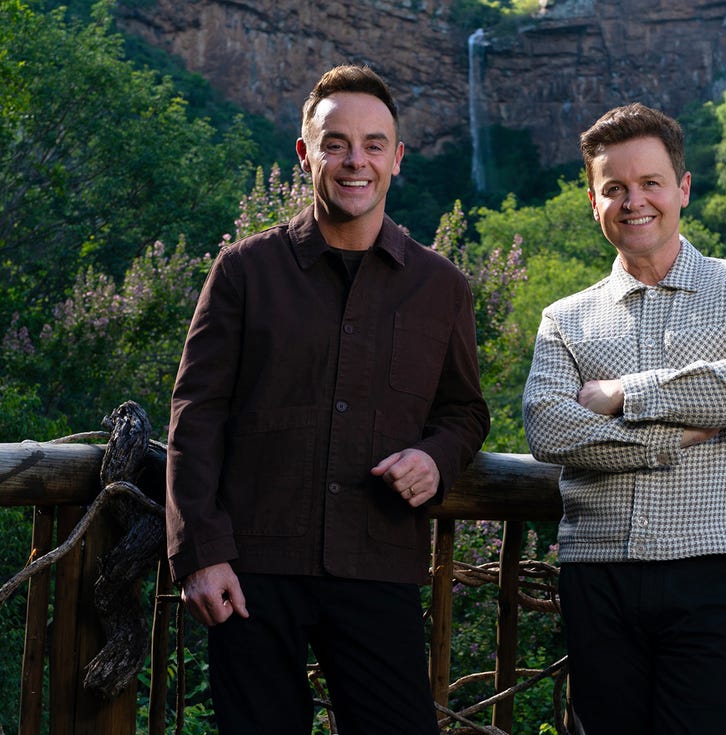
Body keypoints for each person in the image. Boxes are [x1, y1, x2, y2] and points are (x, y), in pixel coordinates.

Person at [166, 64, 490, 735]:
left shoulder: (442, 287)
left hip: (380, 564)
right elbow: (196, 416)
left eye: (373, 145)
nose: (354, 161)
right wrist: (200, 551)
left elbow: (464, 411)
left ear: (397, 158)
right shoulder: (244, 271)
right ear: (305, 153)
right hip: (251, 571)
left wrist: (436, 458)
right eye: (335, 143)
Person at [522, 103, 726, 733]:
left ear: (683, 189)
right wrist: (674, 438)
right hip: (596, 575)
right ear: (593, 202)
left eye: (650, 182)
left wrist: (624, 393)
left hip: (712, 569)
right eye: (614, 188)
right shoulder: (565, 318)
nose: (634, 201)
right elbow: (547, 424)